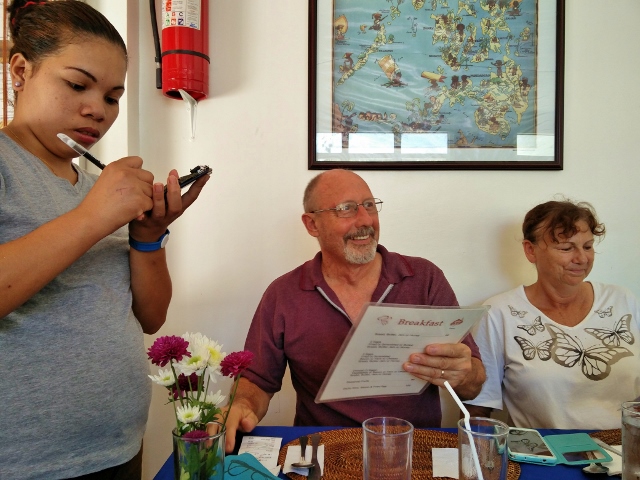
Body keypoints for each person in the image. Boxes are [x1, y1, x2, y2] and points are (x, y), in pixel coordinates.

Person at [0, 1, 209, 478]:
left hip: (117, 447)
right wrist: (93, 218)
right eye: (77, 85)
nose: (97, 109)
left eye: (113, 97)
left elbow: (151, 317)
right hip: (23, 462)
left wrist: (147, 235)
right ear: (21, 71)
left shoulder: (100, 189)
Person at [223, 168, 486, 452]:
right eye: (346, 209)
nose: (365, 220)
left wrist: (463, 374)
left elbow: (473, 386)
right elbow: (258, 381)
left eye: (369, 205)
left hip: (415, 450)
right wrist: (242, 405)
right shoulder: (283, 294)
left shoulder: (424, 278)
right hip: (323, 451)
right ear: (312, 224)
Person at [465, 200, 640, 430]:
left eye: (588, 246)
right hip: (543, 450)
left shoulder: (622, 300)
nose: (582, 258)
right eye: (566, 248)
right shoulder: (499, 313)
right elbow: (478, 408)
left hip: (625, 447)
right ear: (530, 250)